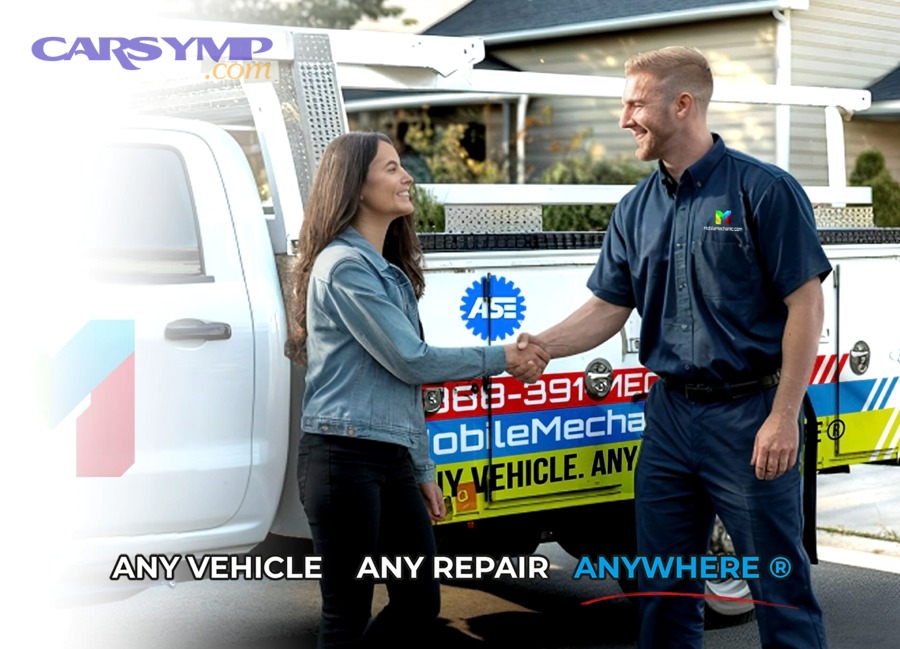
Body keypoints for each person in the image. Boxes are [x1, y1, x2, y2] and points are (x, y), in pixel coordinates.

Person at [516, 47, 829, 648]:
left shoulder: (764, 191)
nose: (624, 119)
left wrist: (785, 416)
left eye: (635, 103)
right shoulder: (636, 208)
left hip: (751, 416)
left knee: (777, 587)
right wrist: (542, 346)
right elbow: (609, 306)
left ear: (682, 104)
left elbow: (806, 305)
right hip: (668, 418)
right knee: (664, 588)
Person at [284, 131, 548, 649]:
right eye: (391, 168)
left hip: (388, 458)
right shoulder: (344, 267)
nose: (407, 178)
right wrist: (505, 358)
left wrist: (421, 468)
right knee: (346, 613)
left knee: (418, 602)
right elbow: (412, 362)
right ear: (355, 186)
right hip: (343, 457)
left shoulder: (384, 270)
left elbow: (401, 387)